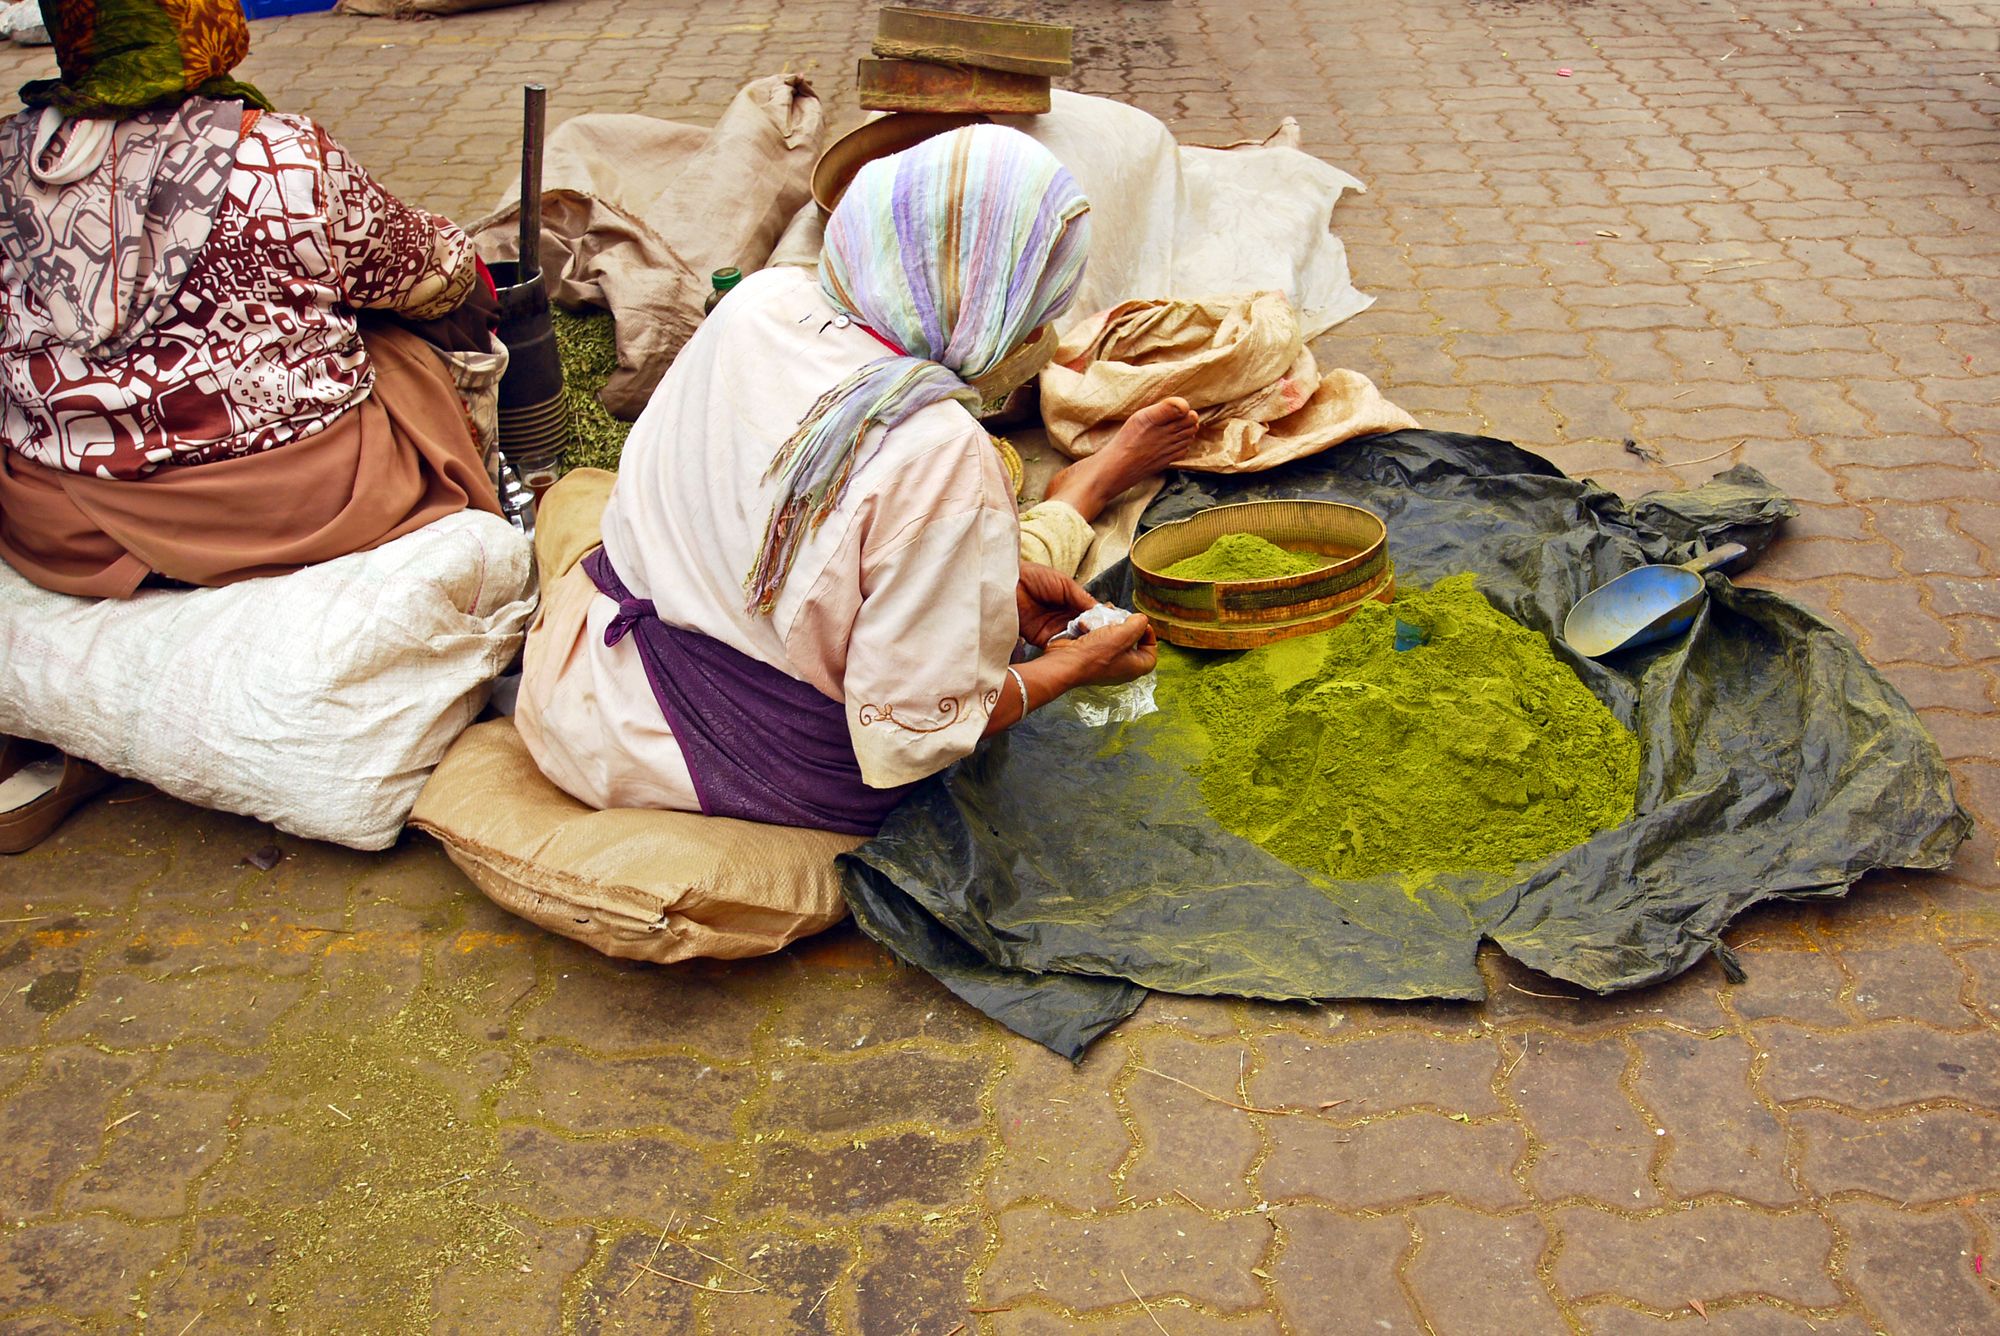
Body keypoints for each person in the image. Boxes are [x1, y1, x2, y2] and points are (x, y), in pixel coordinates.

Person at [516, 124, 1199, 834]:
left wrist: (1005, 584)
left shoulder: (763, 299)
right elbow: (910, 739)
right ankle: (1077, 499)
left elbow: (789, 531)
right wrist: (1069, 671)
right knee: (953, 555)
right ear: (993, 311)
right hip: (707, 750)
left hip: (580, 678)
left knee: (954, 553)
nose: (1039, 338)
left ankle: (1074, 500)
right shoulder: (940, 453)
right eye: (1040, 313)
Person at [0, 0, 504, 852]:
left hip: (67, 524)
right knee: (401, 347)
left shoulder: (10, 158)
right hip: (302, 505)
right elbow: (437, 273)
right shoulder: (278, 152)